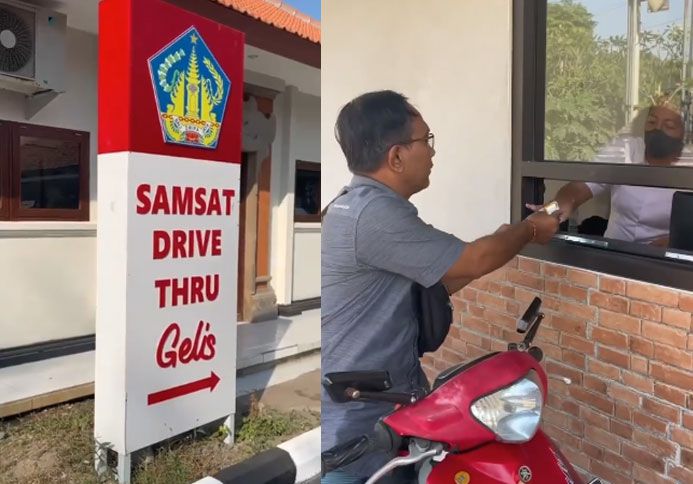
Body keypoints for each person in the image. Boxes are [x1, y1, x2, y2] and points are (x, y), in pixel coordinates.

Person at [321, 90, 560, 484]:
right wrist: (530, 229)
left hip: (384, 404)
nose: (432, 153)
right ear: (396, 156)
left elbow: (439, 280)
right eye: (425, 141)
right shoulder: (373, 214)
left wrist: (503, 239)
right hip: (361, 425)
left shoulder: (360, 204)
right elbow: (475, 259)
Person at [528, 101, 688, 247]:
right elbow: (579, 188)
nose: (657, 129)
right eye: (652, 122)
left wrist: (665, 245)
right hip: (612, 254)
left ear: (684, 133)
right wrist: (551, 209)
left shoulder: (689, 165)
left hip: (664, 261)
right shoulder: (624, 149)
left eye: (669, 125)